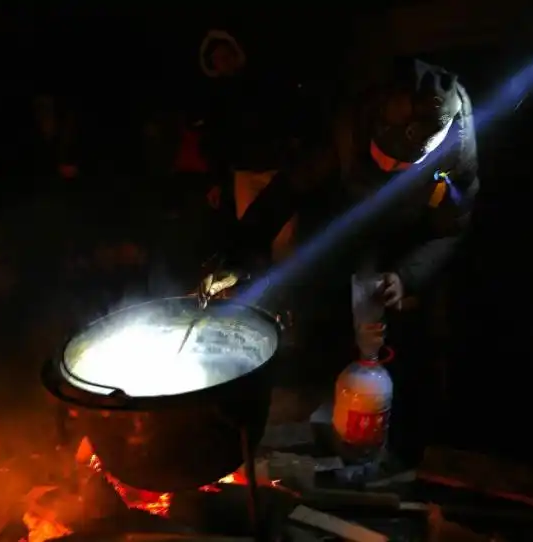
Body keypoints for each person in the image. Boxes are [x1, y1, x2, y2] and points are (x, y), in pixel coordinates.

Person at [199, 57, 479, 466]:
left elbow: (452, 229)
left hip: (408, 238)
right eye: (381, 156)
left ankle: (402, 451)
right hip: (344, 218)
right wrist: (236, 253)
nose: (389, 168)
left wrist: (406, 276)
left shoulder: (456, 151)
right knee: (320, 320)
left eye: (402, 164)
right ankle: (316, 417)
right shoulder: (350, 124)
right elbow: (286, 191)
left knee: (401, 344)